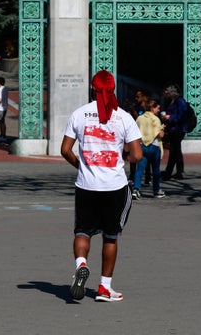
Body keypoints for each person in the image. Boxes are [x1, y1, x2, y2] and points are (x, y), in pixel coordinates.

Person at [60, 70, 142, 302]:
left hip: (86, 185)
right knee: (110, 236)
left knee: (82, 232)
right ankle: (105, 288)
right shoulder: (124, 117)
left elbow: (65, 150)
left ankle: (81, 264)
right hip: (114, 186)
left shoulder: (79, 114)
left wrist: (81, 165)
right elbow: (137, 154)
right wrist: (121, 157)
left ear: (93, 89)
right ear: (113, 89)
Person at [133, 99, 165, 199]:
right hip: (154, 147)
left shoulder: (139, 118)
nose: (159, 110)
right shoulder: (156, 119)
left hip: (142, 146)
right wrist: (162, 128)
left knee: (140, 170)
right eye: (157, 108)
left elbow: (135, 132)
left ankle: (136, 189)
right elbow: (160, 135)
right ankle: (156, 191)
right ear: (152, 108)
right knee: (155, 171)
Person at [161, 84, 188, 181]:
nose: (165, 93)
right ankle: (179, 171)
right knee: (176, 150)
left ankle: (169, 172)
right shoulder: (172, 101)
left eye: (167, 91)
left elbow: (182, 115)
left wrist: (170, 117)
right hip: (174, 128)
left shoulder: (180, 101)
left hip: (178, 129)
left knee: (174, 150)